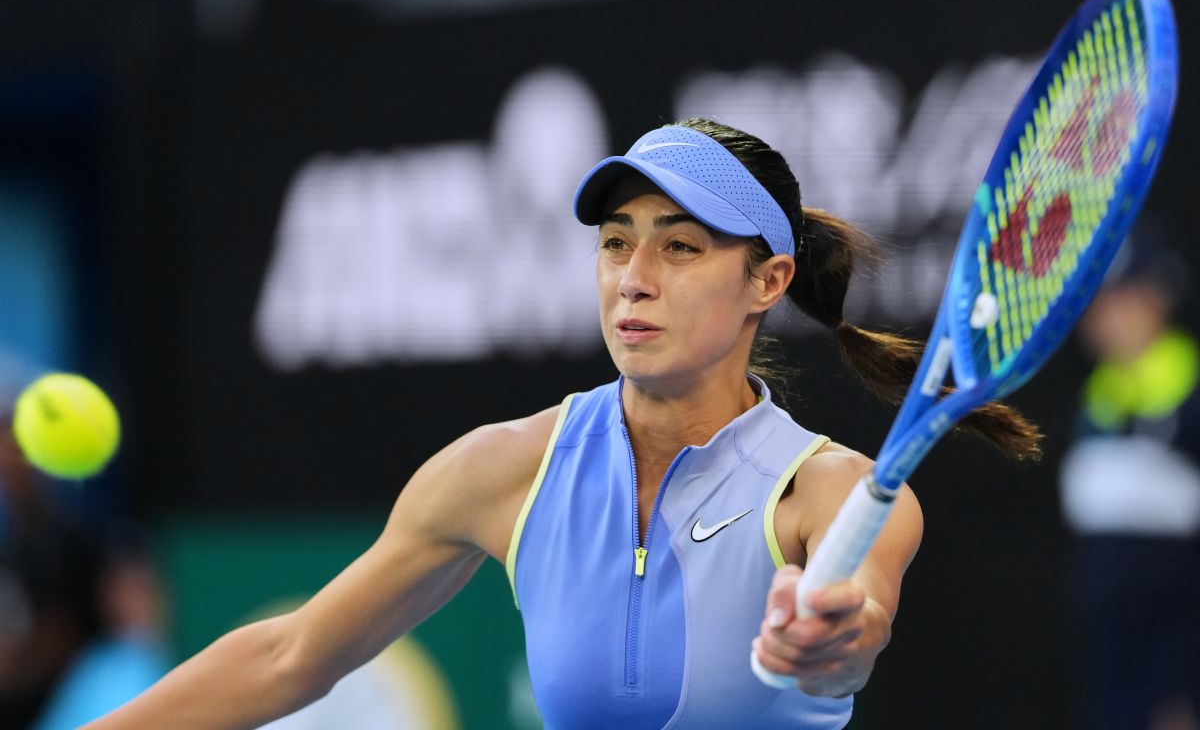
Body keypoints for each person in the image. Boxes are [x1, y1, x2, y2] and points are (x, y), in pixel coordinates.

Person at [86, 118, 1039, 730]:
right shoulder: (503, 469)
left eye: (681, 246)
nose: (635, 277)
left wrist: (828, 639)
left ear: (768, 281)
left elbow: (854, 629)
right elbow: (291, 653)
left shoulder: (830, 493)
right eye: (617, 243)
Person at [1059, 223, 1200, 730]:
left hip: (1177, 641)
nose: (1106, 319)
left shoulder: (1189, 384)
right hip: (1110, 633)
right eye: (1096, 303)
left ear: (1160, 295)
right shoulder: (1098, 391)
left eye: (1123, 299)